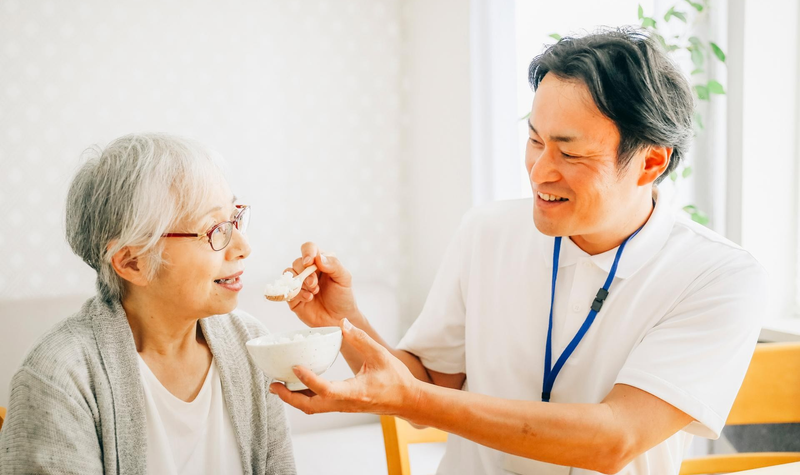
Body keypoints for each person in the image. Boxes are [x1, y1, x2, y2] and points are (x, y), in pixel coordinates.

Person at [270, 28, 767, 475]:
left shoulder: (717, 276)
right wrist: (343, 321)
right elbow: (427, 381)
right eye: (534, 140)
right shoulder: (487, 231)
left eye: (569, 152)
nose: (539, 171)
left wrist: (414, 399)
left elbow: (614, 440)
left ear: (651, 162)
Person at [0, 134, 296, 475]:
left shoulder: (251, 343)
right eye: (215, 229)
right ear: (132, 262)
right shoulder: (59, 379)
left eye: (235, 218)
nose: (243, 247)